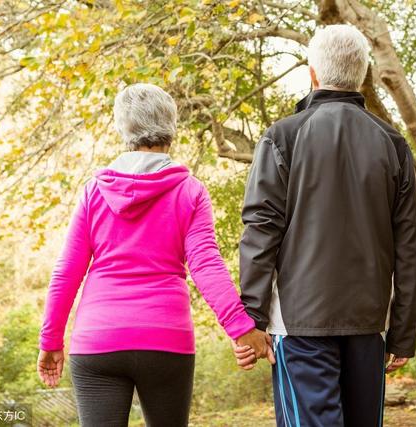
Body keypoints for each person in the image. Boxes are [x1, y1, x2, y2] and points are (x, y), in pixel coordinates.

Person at [36, 83, 273, 427]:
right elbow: (205, 264)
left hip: (98, 340)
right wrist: (241, 328)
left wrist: (51, 340)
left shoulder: (94, 192)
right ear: (171, 126)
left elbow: (67, 272)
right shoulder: (189, 191)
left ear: (123, 128)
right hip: (166, 339)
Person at [235, 25, 416, 426]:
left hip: (299, 324)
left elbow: (260, 231)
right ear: (362, 74)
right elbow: (408, 245)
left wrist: (251, 321)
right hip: (369, 325)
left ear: (313, 74)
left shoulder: (281, 138)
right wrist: (403, 332)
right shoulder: (393, 144)